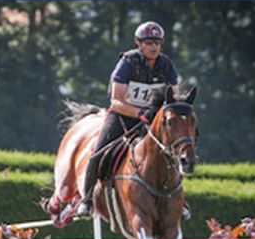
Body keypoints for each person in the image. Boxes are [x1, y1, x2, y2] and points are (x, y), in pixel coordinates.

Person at [75, 21, 181, 219]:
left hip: (152, 121)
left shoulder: (166, 65)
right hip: (123, 117)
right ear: (138, 44)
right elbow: (116, 101)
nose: (154, 46)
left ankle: (179, 202)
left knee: (175, 153)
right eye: (149, 42)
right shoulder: (127, 62)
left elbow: (174, 98)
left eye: (157, 42)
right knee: (99, 152)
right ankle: (87, 200)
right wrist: (140, 113)